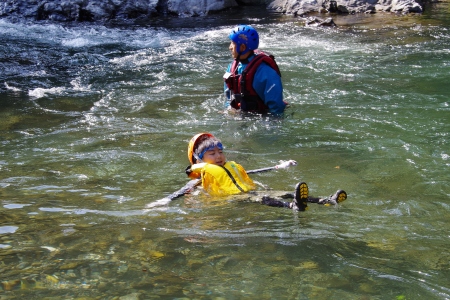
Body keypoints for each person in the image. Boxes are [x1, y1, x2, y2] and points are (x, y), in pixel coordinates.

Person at [185, 133, 347, 211]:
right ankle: (292, 207)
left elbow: (249, 177)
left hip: (250, 190)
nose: (218, 156)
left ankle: (325, 200)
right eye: (212, 154)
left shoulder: (231, 166)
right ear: (199, 160)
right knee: (263, 199)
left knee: (286, 192)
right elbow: (192, 191)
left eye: (220, 152)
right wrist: (191, 193)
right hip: (234, 198)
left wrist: (279, 170)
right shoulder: (201, 176)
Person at [223, 24, 287, 115]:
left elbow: (276, 109)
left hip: (262, 116)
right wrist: (229, 110)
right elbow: (228, 97)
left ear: (243, 47)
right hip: (242, 113)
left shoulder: (265, 72)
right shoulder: (232, 67)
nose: (230, 47)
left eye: (233, 43)